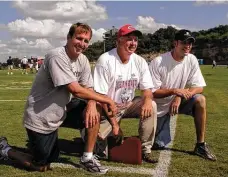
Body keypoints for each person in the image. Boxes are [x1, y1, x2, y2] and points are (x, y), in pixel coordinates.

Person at [0, 22, 117, 174]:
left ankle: (87, 157)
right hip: (41, 116)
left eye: (86, 41)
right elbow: (75, 90)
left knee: (95, 108)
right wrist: (106, 99)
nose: (82, 44)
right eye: (79, 38)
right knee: (42, 164)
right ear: (69, 37)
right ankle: (6, 149)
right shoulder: (56, 56)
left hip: (63, 110)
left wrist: (93, 103)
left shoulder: (83, 60)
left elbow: (88, 88)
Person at [93, 24, 157, 163]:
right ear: (119, 41)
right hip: (108, 108)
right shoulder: (105, 60)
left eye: (135, 40)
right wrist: (115, 125)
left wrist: (146, 101)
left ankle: (145, 149)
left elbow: (147, 89)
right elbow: (101, 97)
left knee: (151, 104)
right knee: (100, 151)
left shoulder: (139, 61)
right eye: (129, 39)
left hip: (128, 104)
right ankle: (90, 135)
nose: (133, 43)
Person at [149, 29, 217, 161]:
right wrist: (175, 91)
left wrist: (179, 96)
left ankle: (200, 145)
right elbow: (152, 92)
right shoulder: (158, 62)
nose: (187, 46)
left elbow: (199, 87)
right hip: (160, 107)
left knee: (200, 100)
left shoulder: (191, 59)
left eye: (190, 43)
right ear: (175, 43)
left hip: (178, 102)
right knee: (158, 144)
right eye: (184, 42)